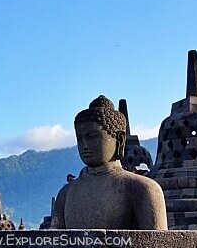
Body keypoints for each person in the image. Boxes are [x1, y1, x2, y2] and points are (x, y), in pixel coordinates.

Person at [51, 95, 167, 230]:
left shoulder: (143, 189)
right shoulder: (66, 194)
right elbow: (53, 242)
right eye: (80, 139)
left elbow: (156, 243)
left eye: (92, 137)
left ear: (120, 140)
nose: (85, 145)